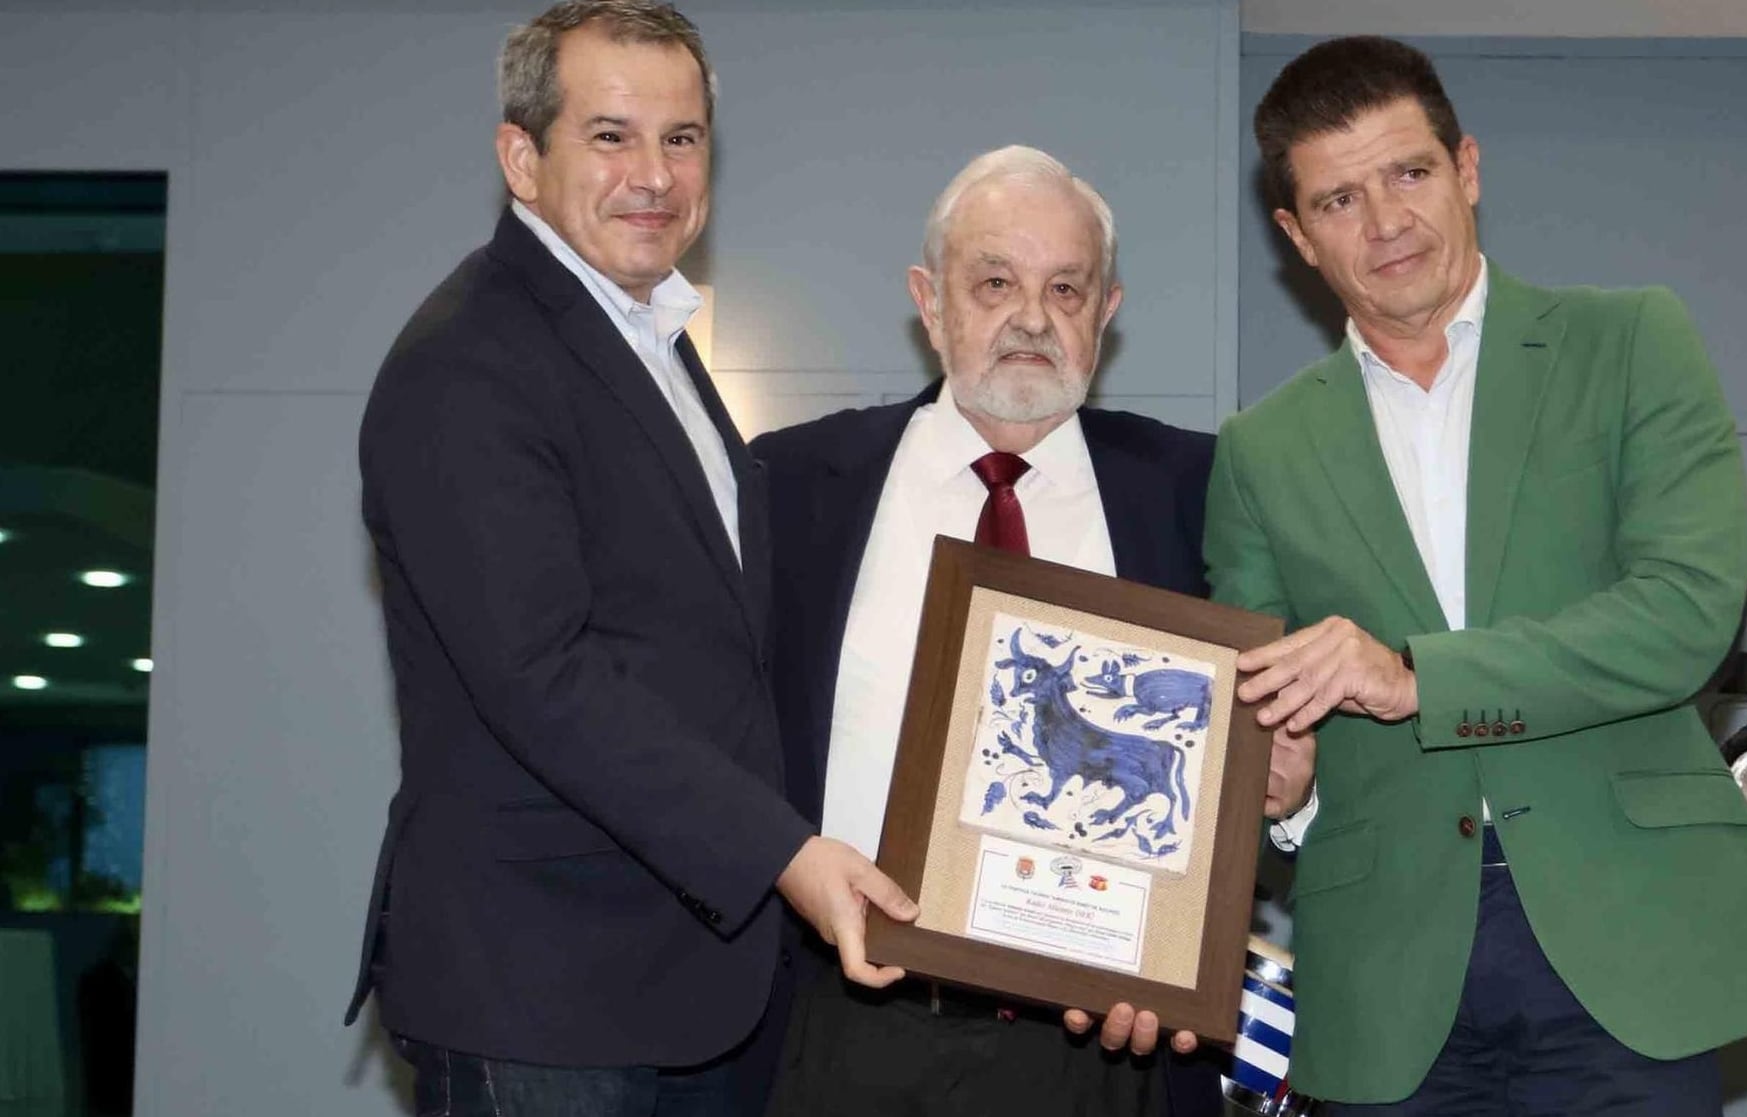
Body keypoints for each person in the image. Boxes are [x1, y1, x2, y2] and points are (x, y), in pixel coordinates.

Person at [1206, 36, 1747, 1115]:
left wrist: (1413, 676)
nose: (1387, 222)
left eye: (1410, 173)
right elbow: (1255, 730)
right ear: (1297, 237)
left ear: (1468, 167)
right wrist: (1273, 788)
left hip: (1626, 940)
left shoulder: (1630, 343)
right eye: (1340, 199)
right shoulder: (1257, 450)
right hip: (1385, 978)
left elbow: (1687, 613)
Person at [345, 4, 913, 1114]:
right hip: (542, 985)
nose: (654, 175)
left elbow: (708, 649)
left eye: (683, 138)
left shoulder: (648, 338)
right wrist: (788, 854)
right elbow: (542, 677)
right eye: (610, 136)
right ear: (523, 157)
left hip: (683, 980)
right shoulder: (469, 362)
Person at [752, 146, 1244, 1117]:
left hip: (1106, 1055)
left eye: (1067, 287)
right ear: (928, 301)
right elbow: (714, 738)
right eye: (994, 282)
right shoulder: (791, 485)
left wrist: (1281, 780)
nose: (1032, 316)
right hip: (845, 1028)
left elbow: (1251, 742)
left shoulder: (1199, 489)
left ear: (1106, 312)